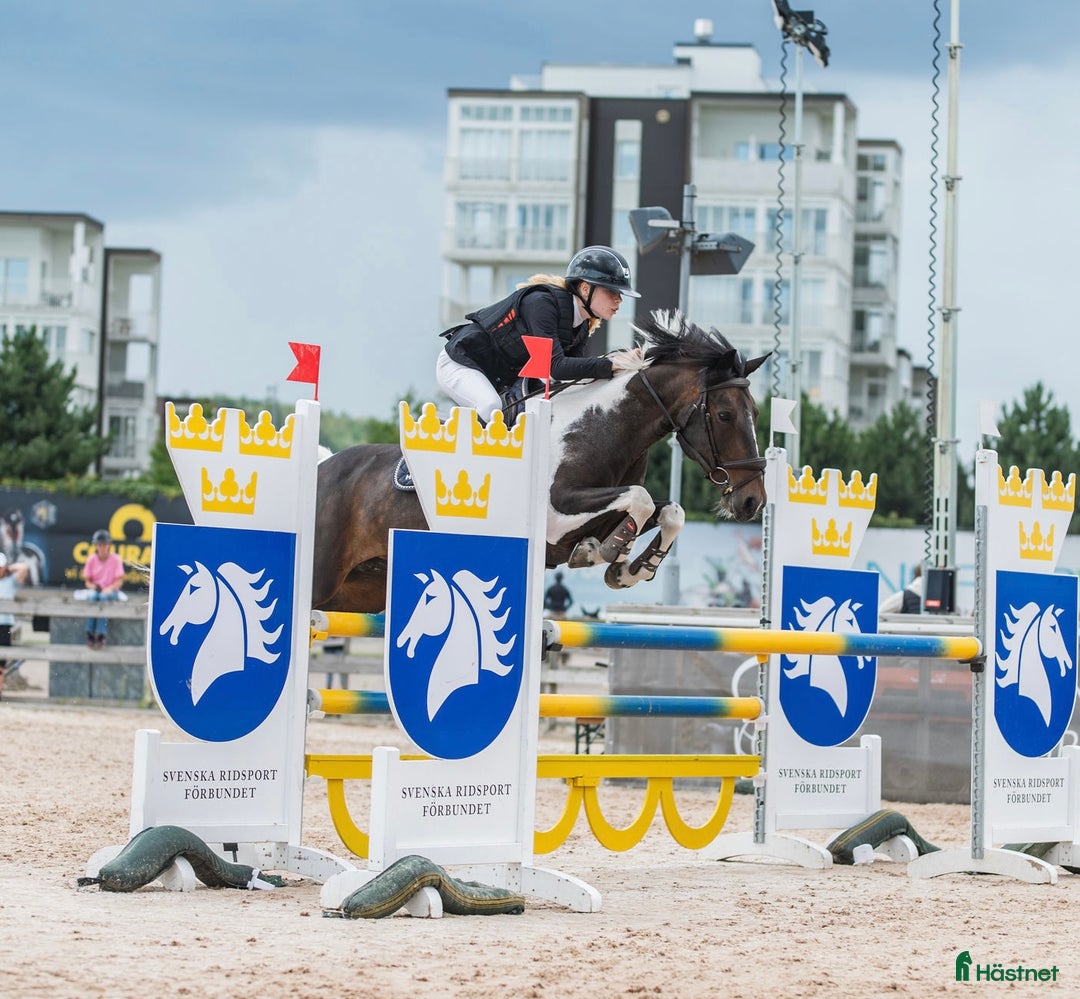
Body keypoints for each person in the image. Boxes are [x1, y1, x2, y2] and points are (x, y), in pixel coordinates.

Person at [436, 245, 644, 422]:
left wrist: (621, 370)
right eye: (612, 292)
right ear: (585, 289)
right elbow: (556, 368)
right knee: (490, 406)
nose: (619, 300)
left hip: (495, 377)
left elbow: (575, 376)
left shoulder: (580, 326)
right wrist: (613, 362)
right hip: (462, 362)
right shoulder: (542, 304)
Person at [82, 529, 125, 649]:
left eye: (104, 544)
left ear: (109, 545)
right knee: (92, 596)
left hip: (110, 590)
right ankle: (90, 632)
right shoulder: (91, 560)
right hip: (97, 590)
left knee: (103, 598)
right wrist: (93, 587)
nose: (102, 548)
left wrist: (110, 588)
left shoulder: (115, 559)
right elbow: (87, 581)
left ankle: (101, 633)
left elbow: (120, 580)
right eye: (100, 545)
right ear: (96, 546)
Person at [0, 552, 29, 699]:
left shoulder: (10, 581)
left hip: (4, 624)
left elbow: (24, 567)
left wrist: (9, 568)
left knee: (1, 661)